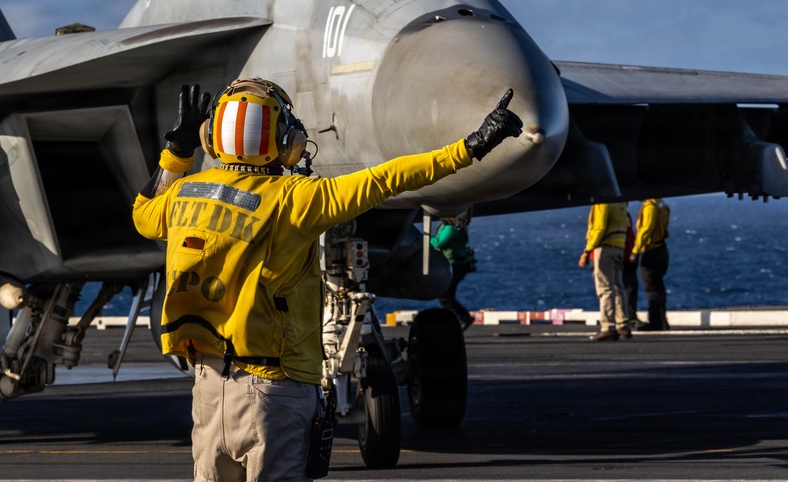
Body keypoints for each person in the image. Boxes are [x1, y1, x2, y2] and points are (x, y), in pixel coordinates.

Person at [132, 79, 522, 481]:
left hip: (209, 388)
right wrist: (469, 148)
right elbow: (387, 179)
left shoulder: (185, 195)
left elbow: (142, 213)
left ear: (212, 138)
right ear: (284, 141)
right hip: (273, 389)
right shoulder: (295, 198)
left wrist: (177, 152)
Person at [579, 201, 632, 341]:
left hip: (605, 248)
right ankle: (623, 326)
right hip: (619, 247)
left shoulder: (602, 201)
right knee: (618, 287)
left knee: (605, 288)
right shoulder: (620, 202)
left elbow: (599, 227)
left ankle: (608, 327)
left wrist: (587, 250)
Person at [431, 210, 477, 330]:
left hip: (454, 265)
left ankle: (463, 318)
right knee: (448, 295)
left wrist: (424, 239)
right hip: (458, 264)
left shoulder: (453, 225)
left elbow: (439, 242)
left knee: (444, 296)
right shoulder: (456, 223)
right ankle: (458, 320)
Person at [632, 198, 671, 331]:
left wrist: (636, 250)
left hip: (650, 251)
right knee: (659, 287)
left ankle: (656, 321)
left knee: (652, 288)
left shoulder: (650, 207)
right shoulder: (662, 205)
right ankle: (662, 320)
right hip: (661, 249)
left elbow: (646, 229)